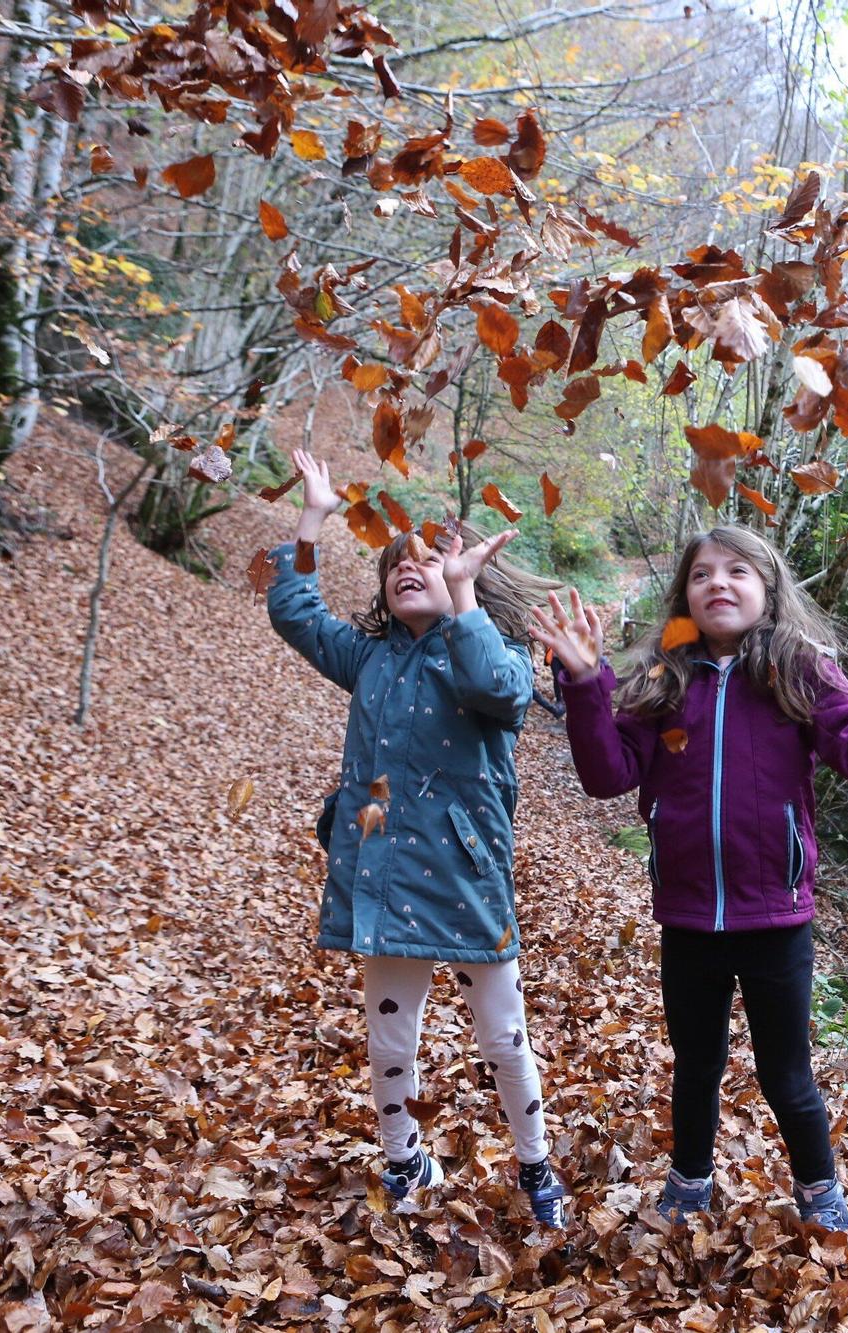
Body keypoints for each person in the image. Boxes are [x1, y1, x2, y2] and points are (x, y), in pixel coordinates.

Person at [528, 524, 848, 1230]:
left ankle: (819, 1190)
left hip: (775, 920)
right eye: (702, 574)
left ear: (769, 588)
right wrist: (585, 678)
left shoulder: (800, 670)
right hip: (688, 920)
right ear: (683, 596)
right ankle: (689, 1180)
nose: (718, 582)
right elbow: (605, 776)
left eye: (737, 570)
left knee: (789, 1075)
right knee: (696, 1066)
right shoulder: (663, 677)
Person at [266, 448, 569, 1226]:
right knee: (390, 1036)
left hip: (464, 874)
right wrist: (312, 518)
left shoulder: (488, 652)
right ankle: (405, 1158)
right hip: (382, 866)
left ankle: (536, 1165)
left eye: (431, 561)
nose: (410, 568)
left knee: (502, 1036)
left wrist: (464, 595)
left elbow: (501, 692)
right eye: (397, 562)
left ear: (463, 575)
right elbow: (294, 609)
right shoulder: (369, 658)